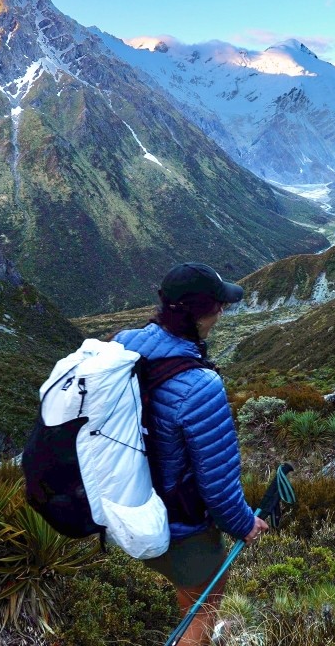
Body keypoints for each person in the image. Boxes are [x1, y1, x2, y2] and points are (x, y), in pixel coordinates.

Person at [113, 262, 268, 645]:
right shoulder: (200, 386)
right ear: (208, 312)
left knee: (186, 593)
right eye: (220, 305)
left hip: (126, 509)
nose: (223, 311)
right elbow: (218, 484)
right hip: (180, 530)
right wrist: (244, 524)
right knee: (201, 613)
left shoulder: (122, 345)